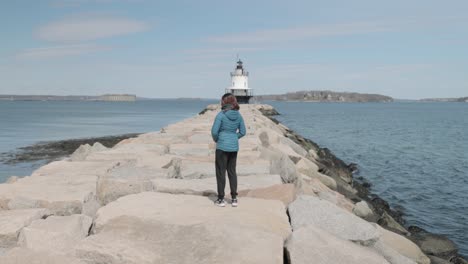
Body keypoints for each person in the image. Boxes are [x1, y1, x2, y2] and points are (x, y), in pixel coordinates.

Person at [211, 93, 246, 207]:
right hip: (233, 147)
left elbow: (214, 132)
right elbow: (243, 132)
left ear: (224, 102)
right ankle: (234, 198)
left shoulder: (221, 115)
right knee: (232, 172)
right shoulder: (239, 115)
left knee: (221, 173)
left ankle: (221, 199)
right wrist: (234, 137)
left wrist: (218, 139)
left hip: (222, 147)